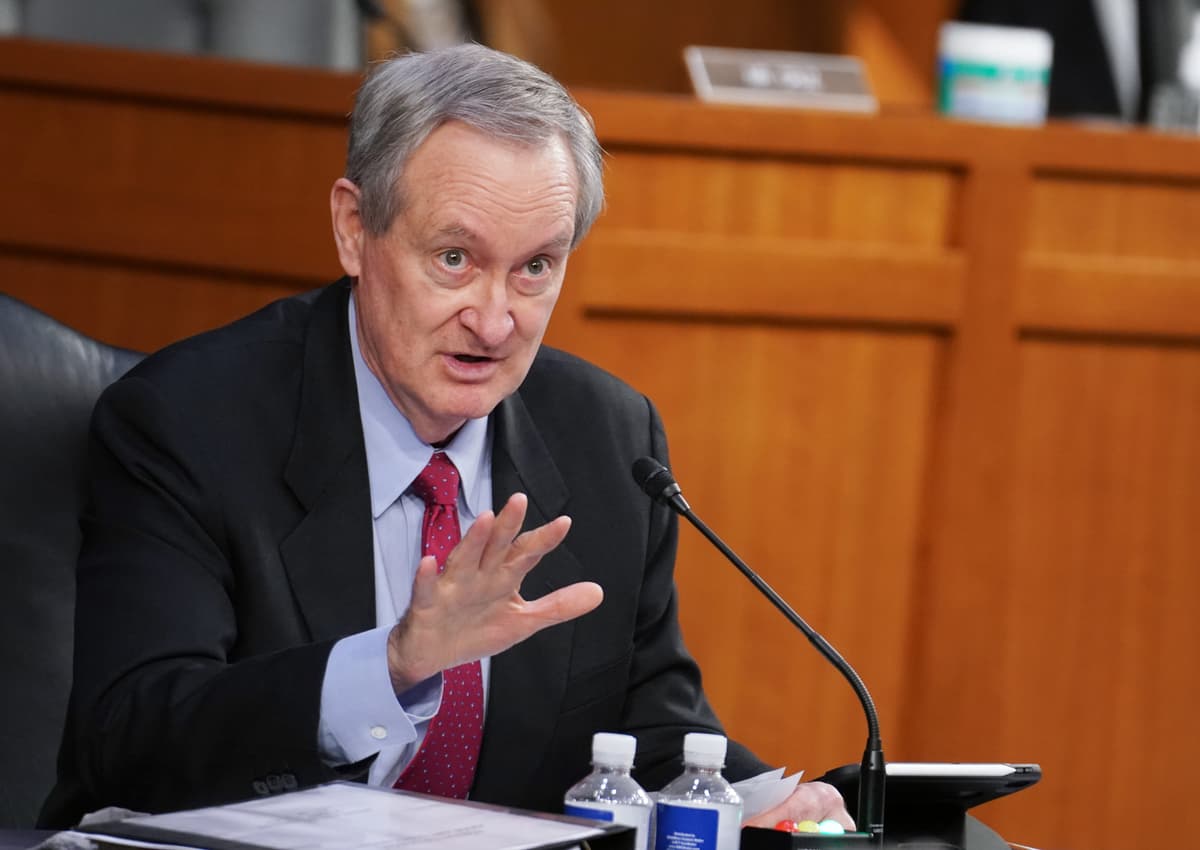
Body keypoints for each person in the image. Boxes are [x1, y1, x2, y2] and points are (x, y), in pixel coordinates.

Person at [39, 44, 852, 831]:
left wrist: (753, 801)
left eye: (536, 267)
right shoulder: (189, 421)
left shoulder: (608, 437)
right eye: (455, 258)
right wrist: (391, 667)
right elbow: (132, 738)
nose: (495, 322)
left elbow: (650, 730)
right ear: (354, 228)